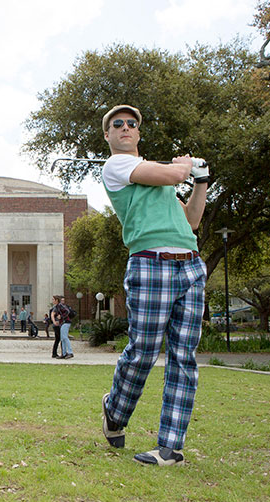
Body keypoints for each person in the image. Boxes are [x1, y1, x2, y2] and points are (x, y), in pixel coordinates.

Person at [98, 105, 208, 466]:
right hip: (150, 264)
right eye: (118, 124)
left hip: (190, 264)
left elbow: (191, 219)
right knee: (143, 351)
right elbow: (174, 173)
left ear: (139, 133)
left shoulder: (159, 180)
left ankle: (170, 447)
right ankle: (115, 410)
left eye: (132, 124)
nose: (126, 127)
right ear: (108, 135)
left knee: (183, 357)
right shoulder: (117, 166)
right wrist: (186, 166)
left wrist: (201, 182)